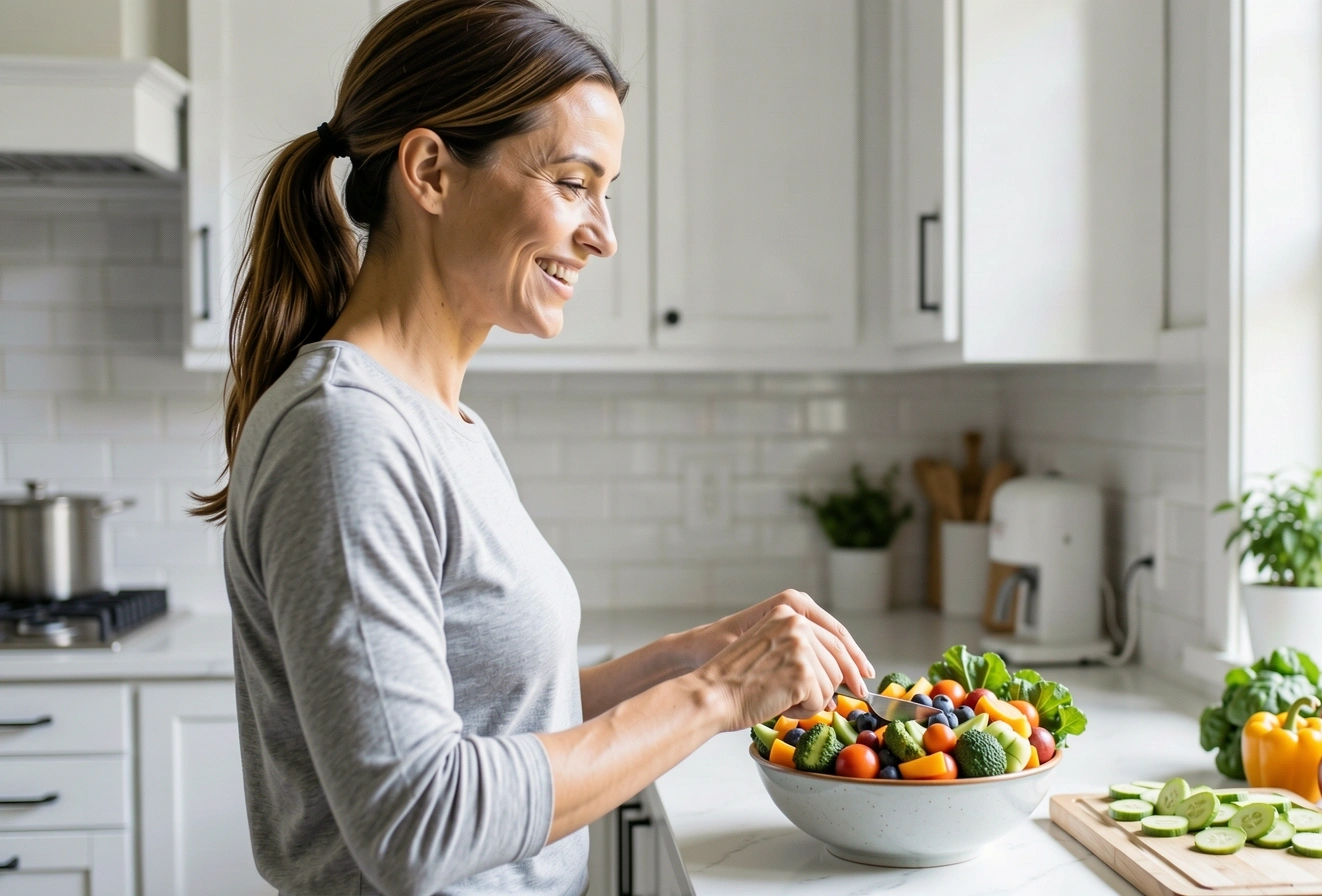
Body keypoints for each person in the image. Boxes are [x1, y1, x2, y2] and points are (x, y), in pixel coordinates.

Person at [192, 2, 874, 893]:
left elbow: (489, 721)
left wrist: (681, 662)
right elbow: (417, 819)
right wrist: (711, 698)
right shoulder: (346, 434)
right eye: (571, 182)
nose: (604, 233)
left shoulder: (441, 424)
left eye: (607, 190)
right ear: (431, 170)